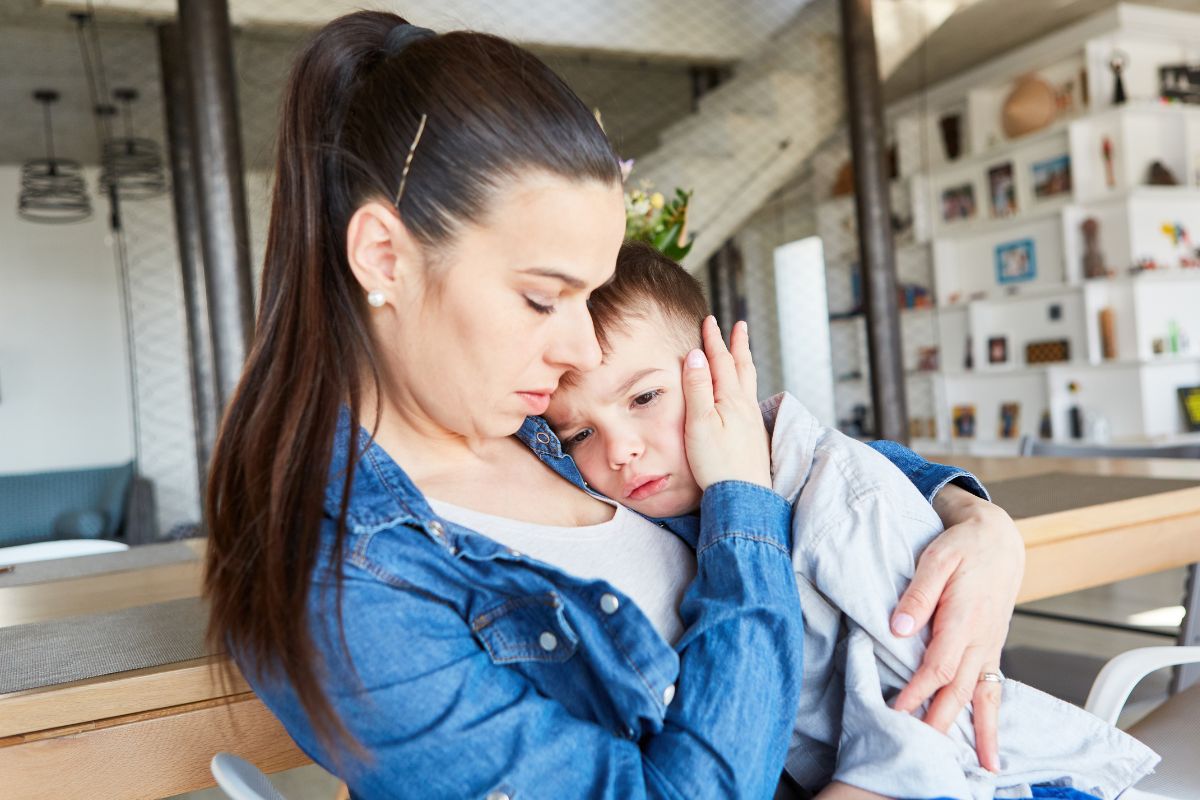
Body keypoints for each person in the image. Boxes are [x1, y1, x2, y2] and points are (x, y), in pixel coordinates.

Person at [204, 12, 1025, 799]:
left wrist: (975, 521)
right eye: (540, 297)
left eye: (588, 297)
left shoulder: (529, 422)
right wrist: (744, 511)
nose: (581, 352)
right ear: (384, 255)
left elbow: (789, 450)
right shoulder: (349, 589)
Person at [543, 243, 1159, 800]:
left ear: (723, 370)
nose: (619, 449)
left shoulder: (836, 500)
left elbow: (932, 717)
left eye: (645, 398)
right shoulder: (653, 506)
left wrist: (978, 513)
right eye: (580, 434)